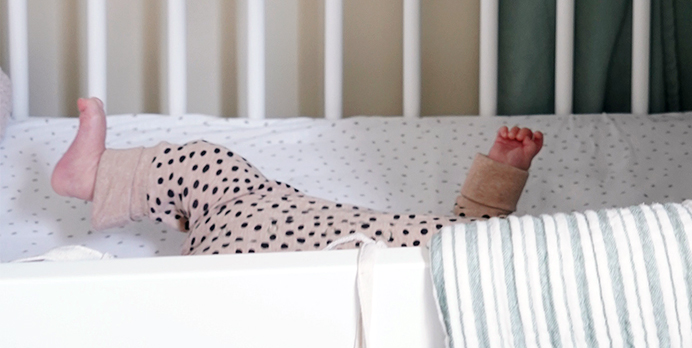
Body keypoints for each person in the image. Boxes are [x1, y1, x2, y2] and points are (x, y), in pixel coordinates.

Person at [52, 97, 543, 255]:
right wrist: (501, 173)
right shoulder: (463, 247)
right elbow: (479, 237)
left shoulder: (453, 268)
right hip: (254, 205)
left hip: (274, 271)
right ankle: (94, 174)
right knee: (208, 162)